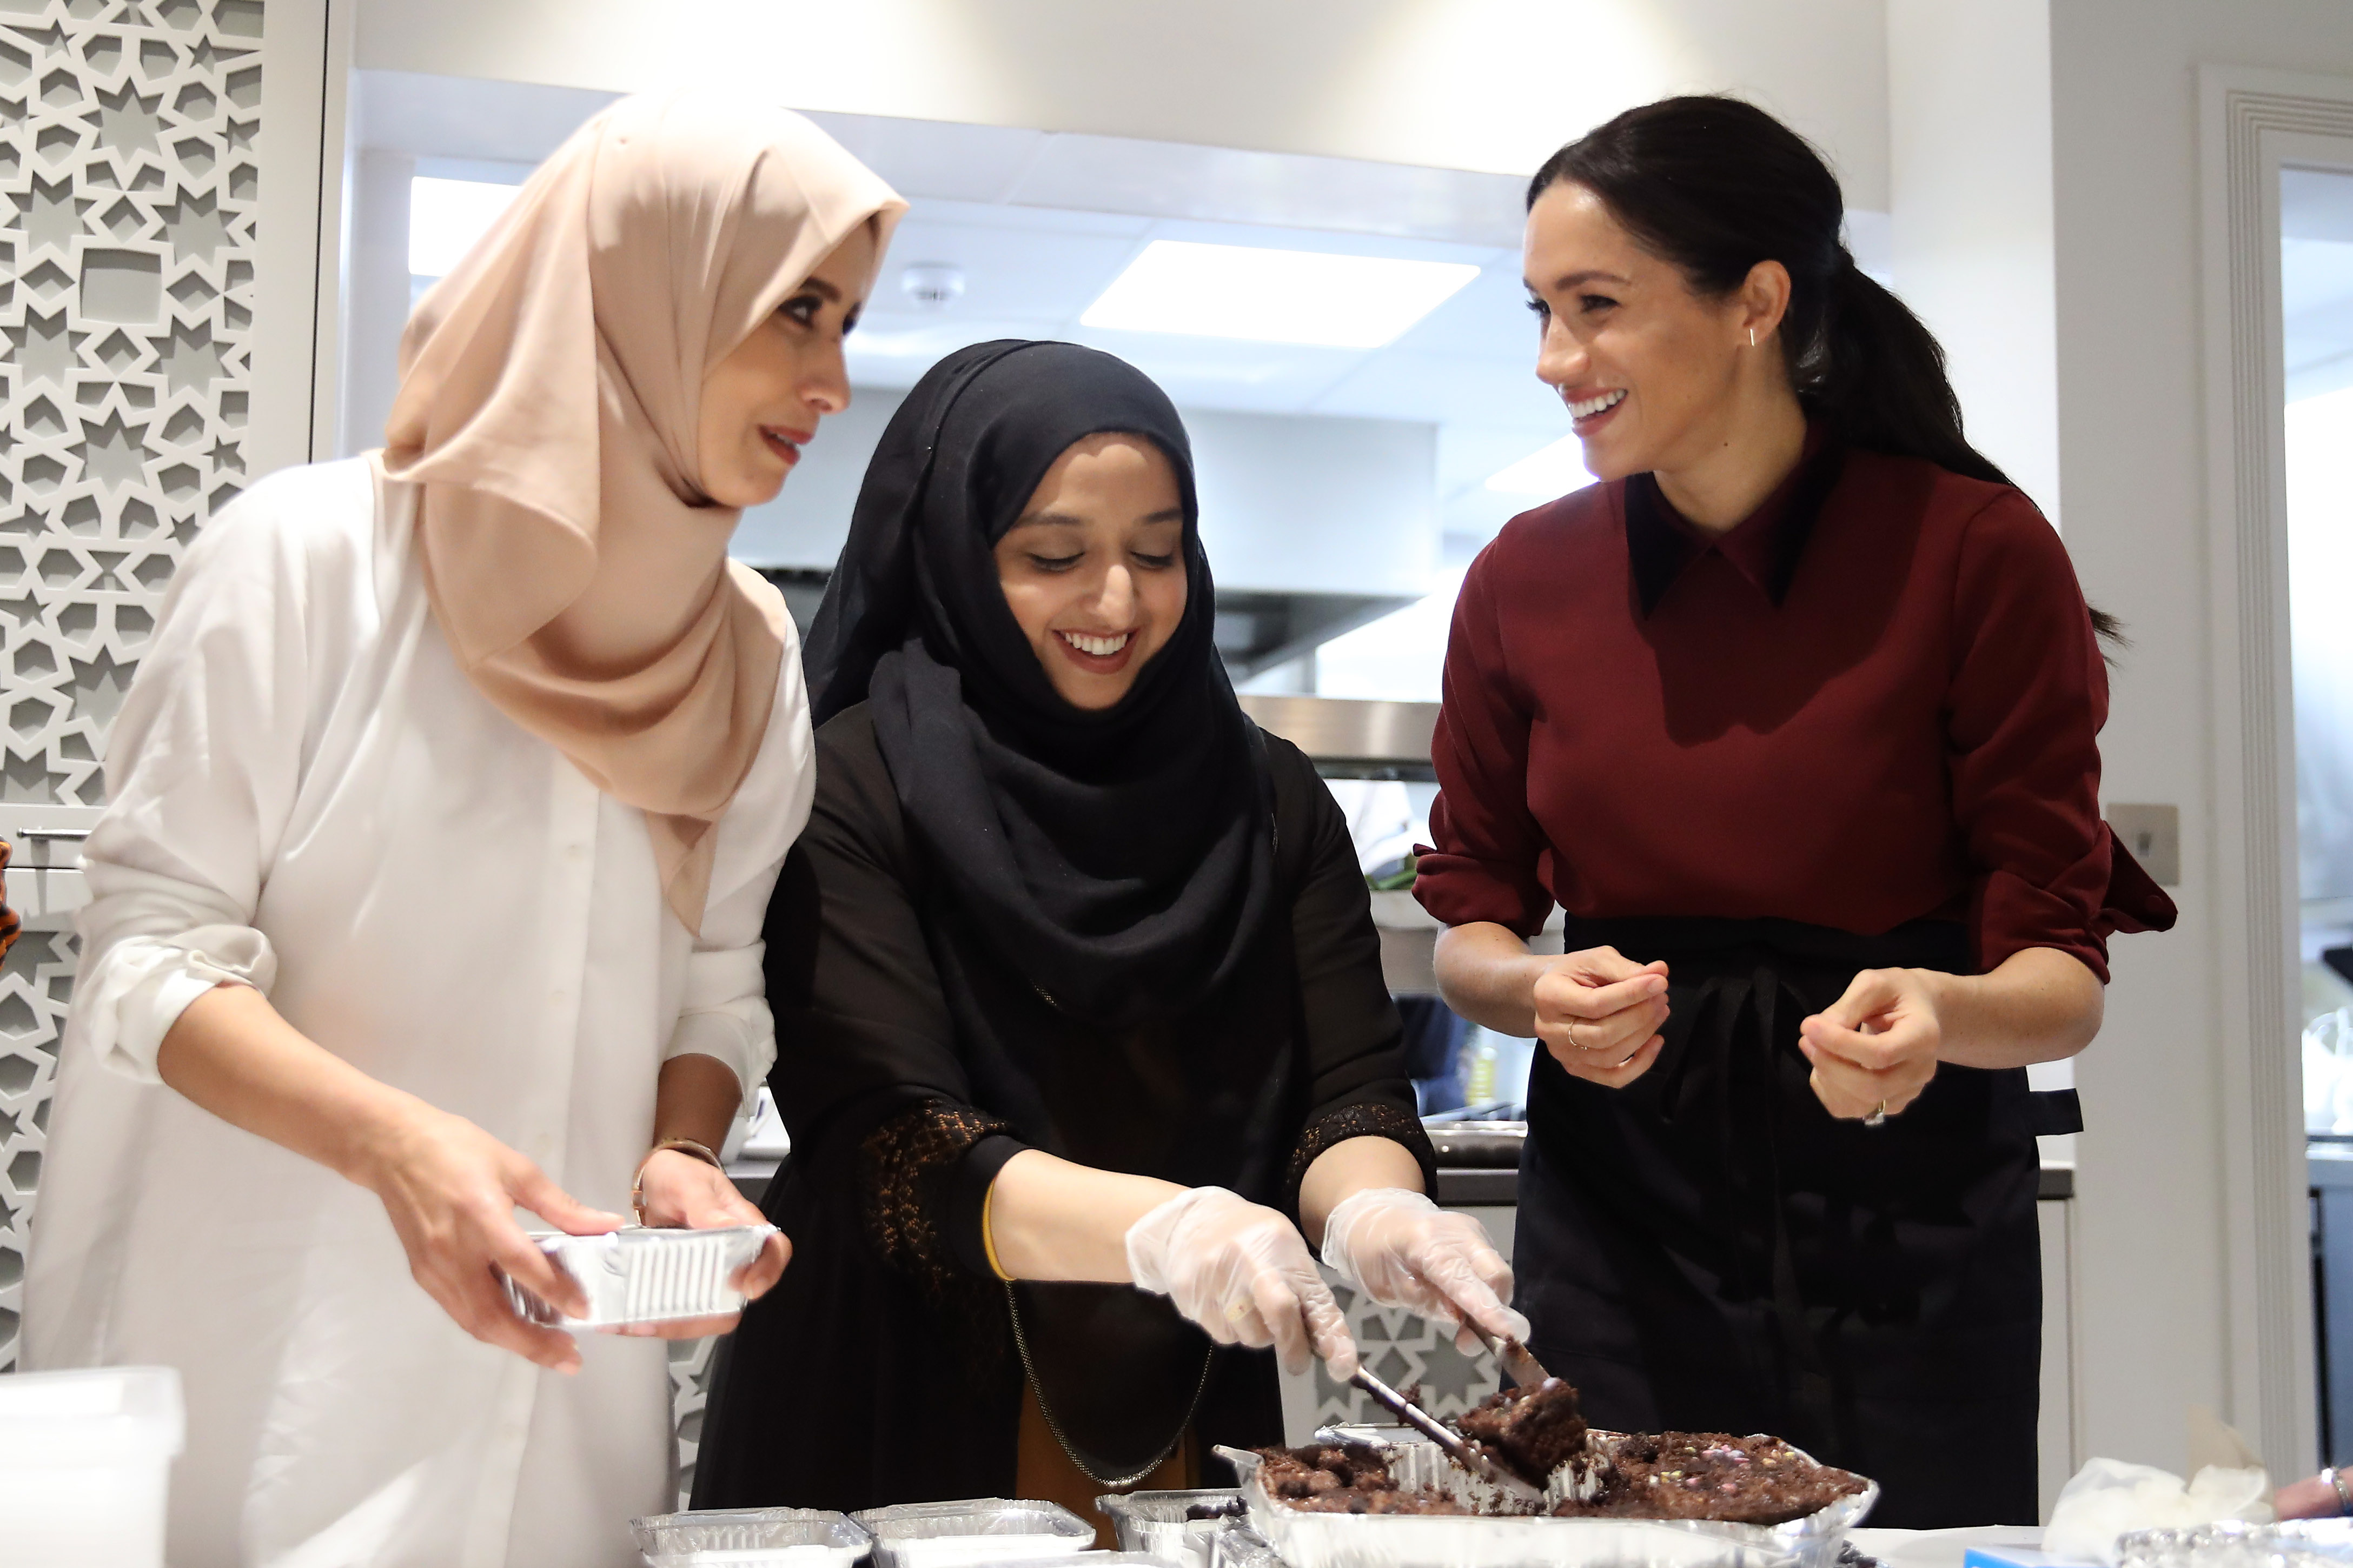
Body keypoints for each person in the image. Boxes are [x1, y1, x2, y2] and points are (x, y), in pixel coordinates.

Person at [23, 96, 903, 1567]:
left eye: (848, 324)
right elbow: (146, 964)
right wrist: (394, 1146)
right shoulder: (312, 561)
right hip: (265, 1376)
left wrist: (680, 1156)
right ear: (642, 290)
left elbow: (715, 985)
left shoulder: (747, 652)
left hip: (557, 1409)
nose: (833, 379)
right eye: (797, 313)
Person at [1416, 96, 2177, 1527]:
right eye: (1540, 311)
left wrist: (1944, 1016)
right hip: (1617, 1205)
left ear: (1756, 301)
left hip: (1908, 1202)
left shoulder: (1974, 553)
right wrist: (1529, 986)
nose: (1552, 360)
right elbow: (1471, 921)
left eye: (1596, 308)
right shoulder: (1525, 579)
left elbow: (2061, 978)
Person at [691, 341, 1523, 1530]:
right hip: (895, 1395)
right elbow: (900, 1145)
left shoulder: (1269, 802)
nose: (1118, 601)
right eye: (1053, 557)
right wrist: (1168, 1228)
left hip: (1179, 1390)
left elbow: (1348, 1095)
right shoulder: (850, 786)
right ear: (958, 560)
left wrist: (1375, 1211)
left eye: (1156, 550)